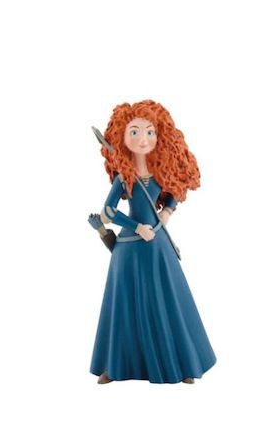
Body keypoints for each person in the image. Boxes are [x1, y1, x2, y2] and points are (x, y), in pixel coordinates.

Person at [90, 100, 216, 384]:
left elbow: (174, 193)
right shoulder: (124, 178)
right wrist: (137, 226)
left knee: (169, 300)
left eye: (149, 132)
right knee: (123, 304)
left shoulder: (159, 173)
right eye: (134, 132)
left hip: (158, 247)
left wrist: (167, 212)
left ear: (160, 135)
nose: (142, 139)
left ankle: (182, 363)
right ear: (122, 136)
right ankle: (115, 364)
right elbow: (107, 212)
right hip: (128, 249)